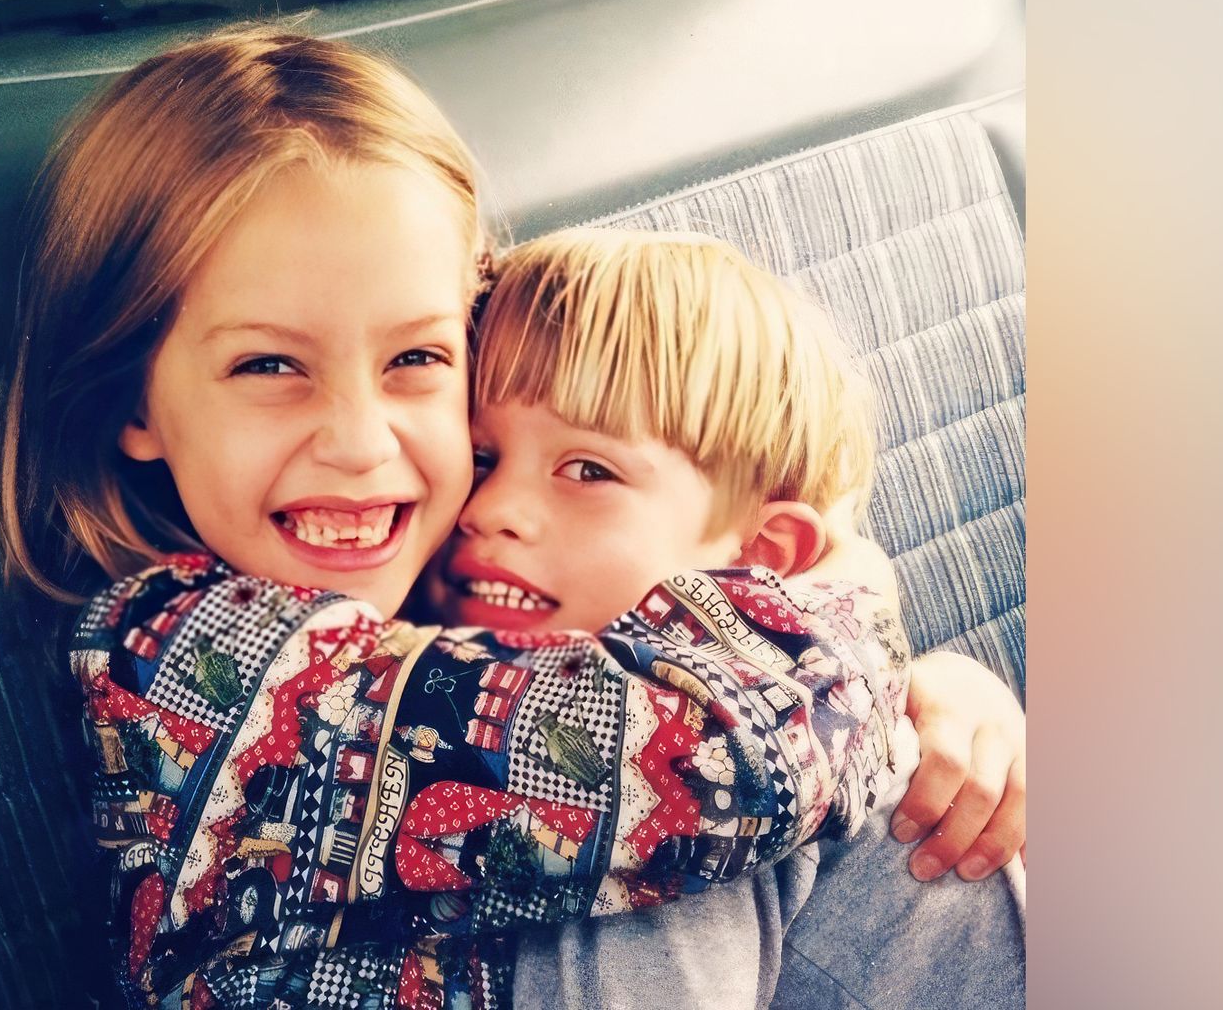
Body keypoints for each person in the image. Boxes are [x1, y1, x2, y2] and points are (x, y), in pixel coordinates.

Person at [0, 23, 1022, 1008]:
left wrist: (930, 703)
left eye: (418, 361)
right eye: (269, 366)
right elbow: (698, 769)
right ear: (132, 400)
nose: (359, 440)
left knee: (894, 820)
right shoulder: (177, 652)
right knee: (671, 854)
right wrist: (852, 612)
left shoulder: (470, 576)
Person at [436, 227, 1023, 1008]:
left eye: (588, 470)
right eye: (478, 458)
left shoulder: (677, 787)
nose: (490, 507)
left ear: (760, 561)